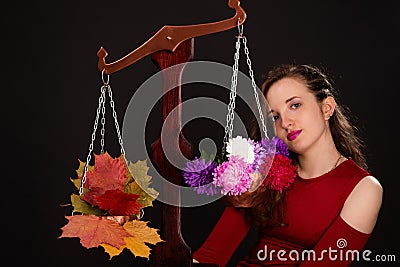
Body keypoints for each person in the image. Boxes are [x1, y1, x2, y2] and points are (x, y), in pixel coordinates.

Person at [192, 64, 383, 266]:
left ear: (326, 108)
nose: (285, 122)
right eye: (275, 116)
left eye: (295, 105)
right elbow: (209, 256)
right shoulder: (265, 172)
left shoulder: (363, 188)